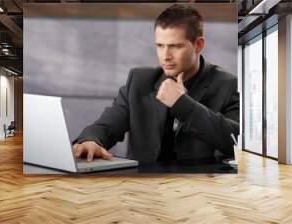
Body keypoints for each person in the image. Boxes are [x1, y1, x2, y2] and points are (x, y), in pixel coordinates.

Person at [72, 4, 239, 163]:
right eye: (160, 45)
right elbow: (106, 126)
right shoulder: (138, 81)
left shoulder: (227, 85)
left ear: (198, 45)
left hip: (198, 188)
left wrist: (183, 105)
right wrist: (90, 141)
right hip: (142, 186)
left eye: (175, 46)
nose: (165, 55)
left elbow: (237, 143)